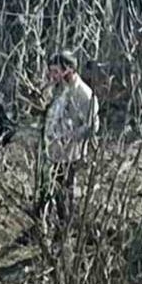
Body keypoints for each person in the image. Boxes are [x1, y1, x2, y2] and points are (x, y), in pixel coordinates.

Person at [39, 50, 99, 233]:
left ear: (69, 70)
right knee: (53, 191)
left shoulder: (85, 94)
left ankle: (67, 230)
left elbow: (92, 126)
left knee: (66, 193)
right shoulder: (58, 88)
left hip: (70, 155)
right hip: (54, 151)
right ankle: (54, 225)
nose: (53, 75)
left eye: (56, 71)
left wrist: (71, 136)